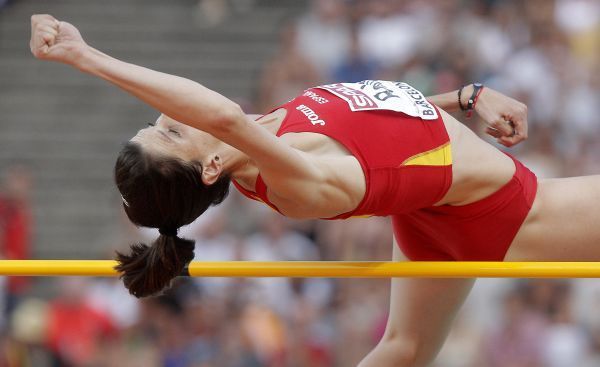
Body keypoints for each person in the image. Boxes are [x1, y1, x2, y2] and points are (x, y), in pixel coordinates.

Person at [29, 14, 600, 367]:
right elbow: (223, 114)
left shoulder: (263, 132)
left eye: (160, 121)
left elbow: (378, 122)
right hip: (512, 215)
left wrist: (469, 99)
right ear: (207, 169)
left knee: (401, 352)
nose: (167, 112)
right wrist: (86, 57)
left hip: (433, 218)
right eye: (172, 129)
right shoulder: (288, 177)